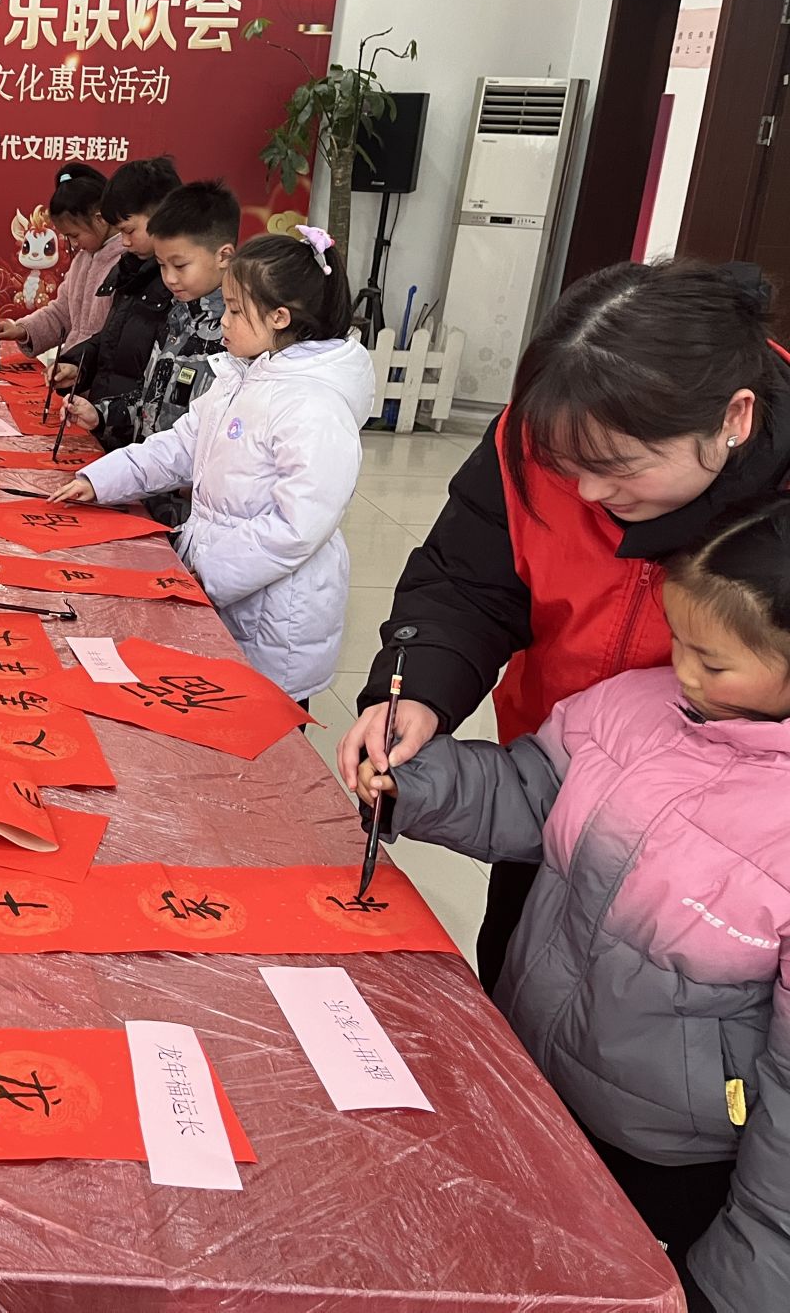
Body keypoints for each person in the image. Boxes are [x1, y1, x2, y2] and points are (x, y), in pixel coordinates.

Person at [358, 497, 790, 1313]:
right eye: (679, 641)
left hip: (669, 1157)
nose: (683, 672)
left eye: (714, 661)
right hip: (531, 1079)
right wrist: (418, 783)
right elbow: (532, 790)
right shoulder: (634, 706)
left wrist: (739, 1284)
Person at [336, 261, 790, 989]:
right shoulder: (543, 432)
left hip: (729, 865)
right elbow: (465, 585)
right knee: (521, 985)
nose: (587, 490)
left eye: (621, 466)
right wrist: (418, 689)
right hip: (554, 784)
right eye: (567, 464)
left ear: (734, 419)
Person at [49, 228, 373, 705]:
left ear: (280, 317)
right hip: (217, 583)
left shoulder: (314, 406)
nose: (224, 320)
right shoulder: (241, 375)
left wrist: (208, 573)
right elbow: (181, 446)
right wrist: (101, 479)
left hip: (271, 617)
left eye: (236, 311)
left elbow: (297, 526)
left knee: (259, 722)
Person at [67, 177, 237, 453]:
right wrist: (100, 415)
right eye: (161, 265)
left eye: (180, 266)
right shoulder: (177, 315)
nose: (169, 278)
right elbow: (151, 401)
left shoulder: (236, 333)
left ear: (224, 256)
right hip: (149, 471)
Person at [48, 157, 184, 444]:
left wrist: (106, 415)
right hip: (113, 430)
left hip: (146, 445)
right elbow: (112, 336)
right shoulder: (131, 270)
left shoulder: (180, 289)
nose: (124, 242)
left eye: (129, 230)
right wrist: (78, 366)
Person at [0, 161, 124, 359]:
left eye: (75, 235)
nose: (74, 244)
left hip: (98, 371)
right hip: (72, 368)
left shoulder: (126, 263)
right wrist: (22, 330)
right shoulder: (81, 261)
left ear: (100, 219)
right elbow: (62, 313)